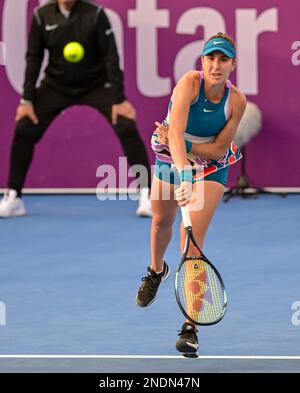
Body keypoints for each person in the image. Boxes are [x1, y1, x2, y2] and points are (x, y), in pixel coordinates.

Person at [136, 33, 247, 356]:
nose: (216, 65)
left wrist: (184, 146)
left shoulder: (237, 101)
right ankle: (156, 271)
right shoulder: (188, 83)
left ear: (232, 65)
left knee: (193, 247)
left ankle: (191, 327)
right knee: (161, 222)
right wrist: (183, 172)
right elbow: (175, 134)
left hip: (211, 165)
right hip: (171, 158)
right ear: (202, 62)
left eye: (223, 60)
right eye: (211, 59)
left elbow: (217, 149)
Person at [0, 0, 151, 218]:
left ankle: (147, 193)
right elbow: (34, 57)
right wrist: (27, 100)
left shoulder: (96, 15)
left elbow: (111, 56)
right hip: (56, 85)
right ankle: (14, 196)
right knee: (25, 127)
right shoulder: (42, 16)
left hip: (96, 85)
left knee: (126, 124)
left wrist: (119, 99)